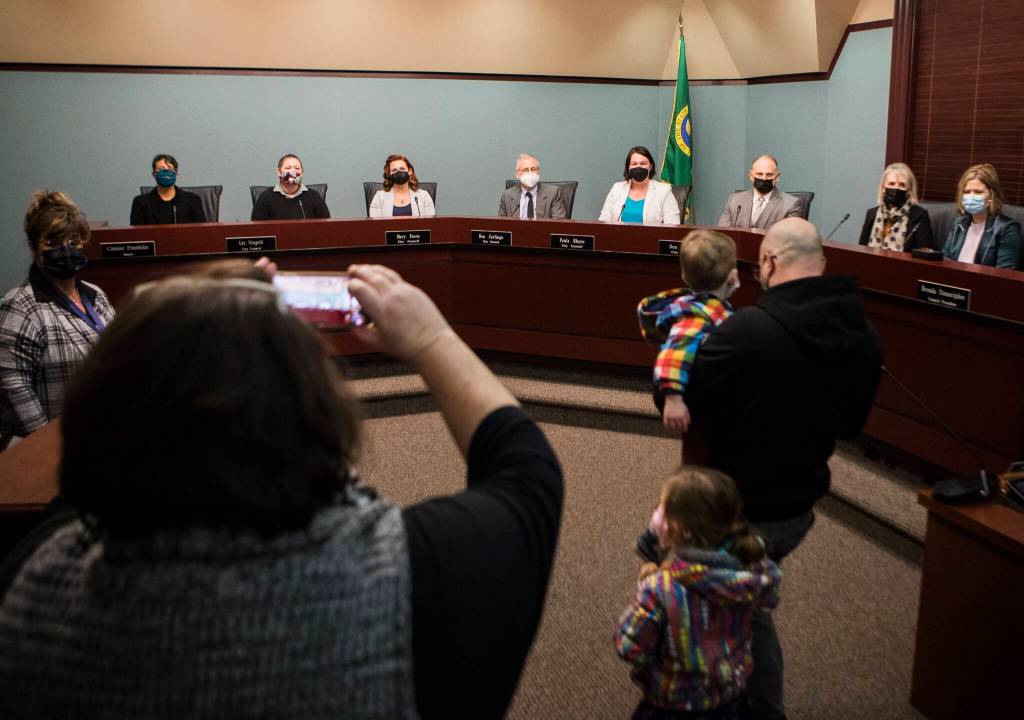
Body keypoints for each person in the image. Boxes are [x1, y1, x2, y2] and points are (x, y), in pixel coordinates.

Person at [0, 264, 563, 719]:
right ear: (316, 419)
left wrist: (167, 330)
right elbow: (527, 472)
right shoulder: (413, 576)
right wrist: (431, 338)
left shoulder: (31, 580)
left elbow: (88, 480)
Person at [681, 218, 883, 720]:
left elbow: (684, 402)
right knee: (747, 603)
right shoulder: (867, 337)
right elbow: (852, 426)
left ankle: (757, 707)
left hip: (737, 512)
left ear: (767, 264)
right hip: (801, 504)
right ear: (822, 264)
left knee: (740, 612)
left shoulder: (744, 331)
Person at [615, 466, 781, 720]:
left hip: (675, 706)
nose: (656, 514)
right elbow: (767, 602)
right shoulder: (753, 571)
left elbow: (629, 646)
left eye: (661, 508)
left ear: (681, 529)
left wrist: (642, 597)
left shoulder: (661, 588)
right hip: (729, 700)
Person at [0, 191, 114, 451]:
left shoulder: (96, 296)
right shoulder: (20, 307)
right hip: (53, 452)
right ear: (32, 247)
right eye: (52, 243)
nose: (65, 249)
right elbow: (16, 395)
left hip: (100, 440)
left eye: (73, 241)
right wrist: (52, 453)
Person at [637, 230, 739, 435]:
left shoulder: (697, 306)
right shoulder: (697, 315)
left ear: (684, 275)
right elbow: (673, 355)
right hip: (698, 405)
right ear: (733, 276)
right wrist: (673, 399)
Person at [942, 163, 1021, 269]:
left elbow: (1005, 274)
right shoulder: (959, 224)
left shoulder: (1007, 229)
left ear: (992, 195)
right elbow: (945, 261)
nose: (971, 196)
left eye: (978, 192)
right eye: (967, 192)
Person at [858, 162, 935, 251]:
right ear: (883, 188)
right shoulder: (872, 214)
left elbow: (925, 254)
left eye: (902, 185)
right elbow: (861, 249)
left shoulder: (919, 215)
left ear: (909, 190)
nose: (896, 188)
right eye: (891, 184)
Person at [717, 155, 803, 230]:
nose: (764, 178)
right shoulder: (735, 200)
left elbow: (788, 239)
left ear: (777, 176)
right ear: (751, 176)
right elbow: (723, 235)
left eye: (769, 175)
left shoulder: (791, 205)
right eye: (759, 174)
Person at [599, 146, 680, 225]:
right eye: (634, 164)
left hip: (650, 238)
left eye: (643, 163)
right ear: (628, 167)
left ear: (650, 166)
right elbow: (604, 220)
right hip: (618, 237)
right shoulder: (617, 188)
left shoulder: (663, 190)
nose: (638, 167)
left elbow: (672, 224)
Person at [129, 153, 207, 225]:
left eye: (170, 168)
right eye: (161, 169)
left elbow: (201, 232)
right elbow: (137, 235)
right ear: (153, 174)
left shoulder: (192, 200)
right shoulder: (141, 202)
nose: (166, 172)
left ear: (176, 173)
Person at [251, 154, 330, 221]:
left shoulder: (314, 196)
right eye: (288, 168)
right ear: (279, 172)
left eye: (297, 168)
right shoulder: (265, 197)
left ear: (302, 173)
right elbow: (256, 230)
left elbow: (327, 227)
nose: (293, 171)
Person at [498, 153, 567, 219]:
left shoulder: (553, 193)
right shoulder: (507, 196)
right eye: (525, 170)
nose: (530, 173)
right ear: (517, 174)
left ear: (538, 172)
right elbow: (500, 226)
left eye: (533, 169)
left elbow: (559, 224)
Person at [369, 154, 436, 217]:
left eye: (402, 168)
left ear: (410, 171)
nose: (399, 172)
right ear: (389, 175)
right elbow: (375, 226)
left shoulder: (424, 196)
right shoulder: (379, 197)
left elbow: (430, 224)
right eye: (394, 170)